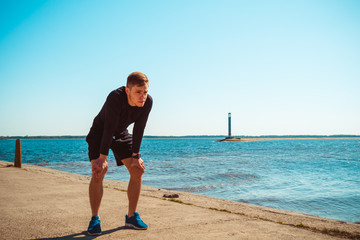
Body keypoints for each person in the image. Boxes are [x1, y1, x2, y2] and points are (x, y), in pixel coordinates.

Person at [85, 72, 153, 235]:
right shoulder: (115, 97)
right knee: (99, 171)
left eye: (145, 92)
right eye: (138, 92)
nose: (142, 96)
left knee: (137, 169)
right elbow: (108, 128)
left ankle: (131, 217)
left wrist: (136, 156)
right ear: (127, 90)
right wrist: (102, 159)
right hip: (100, 133)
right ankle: (95, 218)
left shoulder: (147, 102)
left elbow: (139, 129)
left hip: (121, 134)